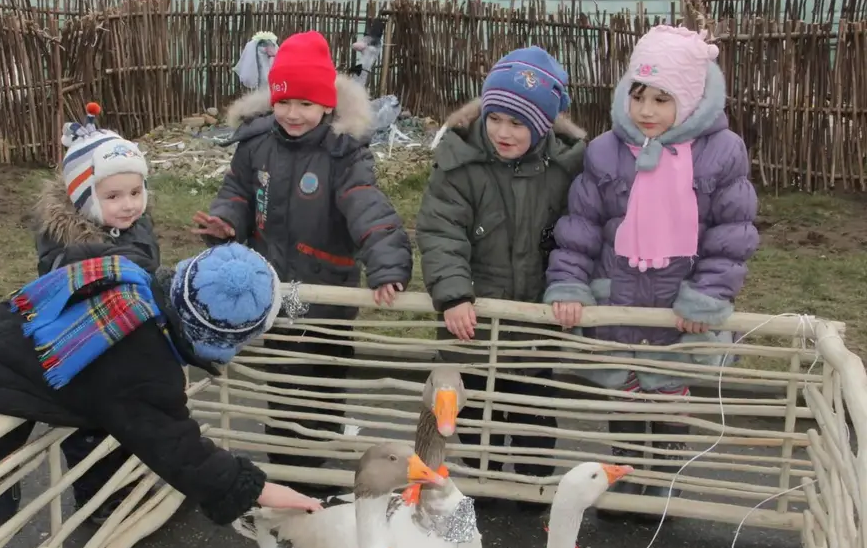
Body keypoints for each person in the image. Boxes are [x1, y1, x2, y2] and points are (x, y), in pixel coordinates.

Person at [0, 244, 323, 548]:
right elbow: (181, 451)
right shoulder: (143, 365)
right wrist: (258, 489)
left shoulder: (133, 280)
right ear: (218, 342)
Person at [543, 25, 759, 498]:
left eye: (663, 99)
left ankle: (663, 487)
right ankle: (622, 491)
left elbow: (732, 233)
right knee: (623, 407)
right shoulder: (604, 151)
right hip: (619, 302)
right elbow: (579, 228)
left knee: (668, 409)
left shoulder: (722, 153)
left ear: (692, 99)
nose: (646, 111)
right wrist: (570, 285)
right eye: (637, 95)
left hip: (677, 312)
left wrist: (707, 296)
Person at [192, 30, 413, 473]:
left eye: (305, 104)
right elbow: (237, 191)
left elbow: (367, 208)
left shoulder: (344, 155)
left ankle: (318, 465)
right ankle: (286, 470)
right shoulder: (256, 145)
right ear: (271, 100)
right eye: (283, 102)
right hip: (272, 287)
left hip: (325, 289)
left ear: (326, 104)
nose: (293, 113)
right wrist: (226, 222)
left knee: (324, 380)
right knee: (281, 380)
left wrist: (386, 264)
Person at [414, 47, 586, 485]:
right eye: (495, 119)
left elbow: (582, 229)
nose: (503, 132)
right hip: (473, 316)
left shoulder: (566, 168)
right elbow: (441, 230)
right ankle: (476, 482)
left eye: (518, 123)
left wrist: (571, 285)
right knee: (472, 405)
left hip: (535, 317)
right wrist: (454, 294)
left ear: (543, 125)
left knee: (533, 404)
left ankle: (533, 482)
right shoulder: (459, 164)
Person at [30, 101, 162, 525]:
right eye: (113, 196)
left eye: (136, 192)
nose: (129, 205)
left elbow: (142, 262)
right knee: (88, 428)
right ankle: (97, 502)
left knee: (133, 418)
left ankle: (130, 485)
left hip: (126, 340)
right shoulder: (60, 238)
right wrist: (94, 259)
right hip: (82, 349)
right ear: (85, 199)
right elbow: (57, 274)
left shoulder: (136, 228)